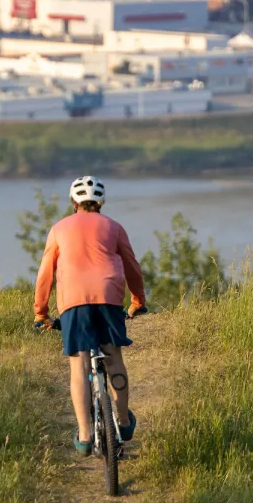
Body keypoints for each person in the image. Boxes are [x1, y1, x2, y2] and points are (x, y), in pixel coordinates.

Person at [33, 176, 147, 455]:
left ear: (74, 203)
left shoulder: (59, 228)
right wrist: (137, 301)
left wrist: (41, 313)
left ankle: (85, 435)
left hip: (73, 300)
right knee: (113, 357)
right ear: (101, 203)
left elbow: (46, 272)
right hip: (108, 296)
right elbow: (132, 266)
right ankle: (122, 422)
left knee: (79, 366)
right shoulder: (114, 227)